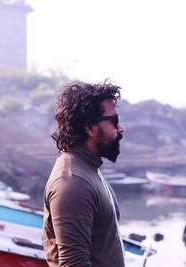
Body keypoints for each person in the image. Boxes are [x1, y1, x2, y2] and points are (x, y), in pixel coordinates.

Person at [43, 80, 125, 267]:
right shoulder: (73, 182)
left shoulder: (88, 169)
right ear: (89, 128)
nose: (121, 129)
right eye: (114, 122)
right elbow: (74, 264)